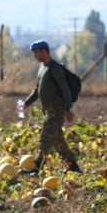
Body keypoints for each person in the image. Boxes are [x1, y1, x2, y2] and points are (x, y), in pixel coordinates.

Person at [20, 40, 82, 175]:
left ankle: (37, 167)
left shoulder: (55, 68)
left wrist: (68, 109)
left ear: (44, 51)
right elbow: (37, 89)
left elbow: (65, 89)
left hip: (57, 109)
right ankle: (73, 166)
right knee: (58, 141)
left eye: (36, 52)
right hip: (47, 109)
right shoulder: (42, 68)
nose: (35, 55)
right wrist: (27, 103)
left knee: (46, 136)